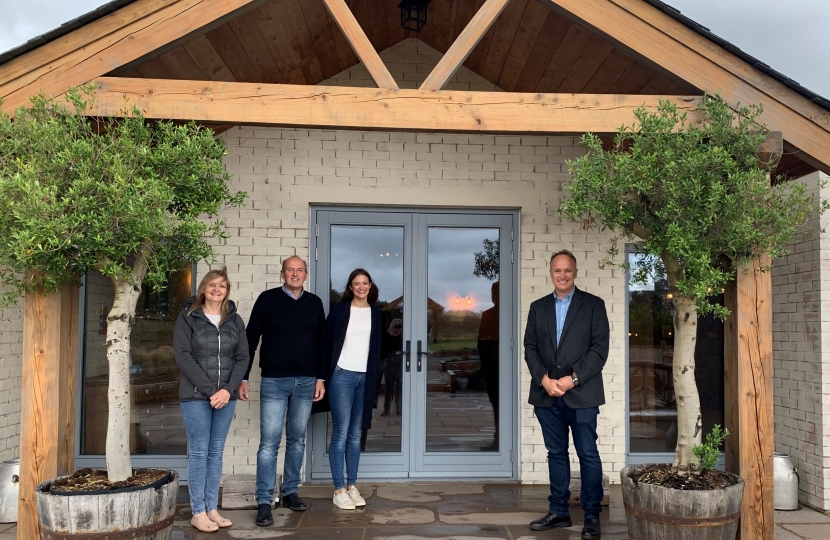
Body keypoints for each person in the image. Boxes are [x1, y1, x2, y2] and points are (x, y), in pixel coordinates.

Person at [524, 250, 610, 540]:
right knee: (556, 453)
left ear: (575, 272)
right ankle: (559, 511)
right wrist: (544, 379)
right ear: (550, 273)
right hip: (547, 395)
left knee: (588, 454)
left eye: (567, 270)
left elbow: (599, 350)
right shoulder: (538, 308)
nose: (562, 275)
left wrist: (573, 379)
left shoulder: (594, 305)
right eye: (557, 270)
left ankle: (591, 516)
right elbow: (530, 347)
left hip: (582, 394)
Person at [242, 256, 328, 527]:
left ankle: (290, 490)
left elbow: (323, 343)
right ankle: (265, 500)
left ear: (305, 274)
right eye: (290, 270)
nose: (295, 274)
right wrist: (242, 377)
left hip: (306, 381)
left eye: (299, 270)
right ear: (282, 273)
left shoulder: (314, 303)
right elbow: (250, 338)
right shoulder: (267, 300)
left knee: (297, 440)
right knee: (269, 443)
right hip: (274, 381)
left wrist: (321, 378)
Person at [174, 267, 250, 533]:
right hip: (196, 396)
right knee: (198, 452)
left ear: (227, 291)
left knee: (216, 452)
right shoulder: (188, 318)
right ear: (203, 288)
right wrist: (211, 390)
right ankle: (197, 511)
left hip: (225, 397)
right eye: (212, 285)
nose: (217, 290)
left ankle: (211, 508)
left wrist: (228, 390)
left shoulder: (235, 320)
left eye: (223, 286)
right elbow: (183, 356)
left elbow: (243, 358)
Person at [325, 268, 383, 510]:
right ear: (350, 287)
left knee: (356, 434)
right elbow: (326, 342)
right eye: (356, 283)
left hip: (365, 377)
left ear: (370, 286)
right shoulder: (339, 310)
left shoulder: (377, 315)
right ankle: (339, 489)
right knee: (341, 432)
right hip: (342, 375)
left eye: (365, 283)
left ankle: (352, 485)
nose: (361, 287)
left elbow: (379, 348)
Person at [477, 281, 499, 450]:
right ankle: (498, 439)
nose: (494, 296)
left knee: (499, 404)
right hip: (490, 367)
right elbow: (481, 343)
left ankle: (500, 440)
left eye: (496, 292)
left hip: (498, 367)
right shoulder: (487, 315)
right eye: (492, 292)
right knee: (495, 403)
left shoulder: (507, 314)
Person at [381, 318, 403, 416]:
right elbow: (382, 342)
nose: (397, 327)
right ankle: (386, 409)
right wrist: (390, 329)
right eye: (395, 325)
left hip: (399, 364)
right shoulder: (387, 336)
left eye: (399, 325)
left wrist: (402, 330)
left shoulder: (403, 336)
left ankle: (399, 409)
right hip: (389, 364)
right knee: (388, 388)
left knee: (399, 387)